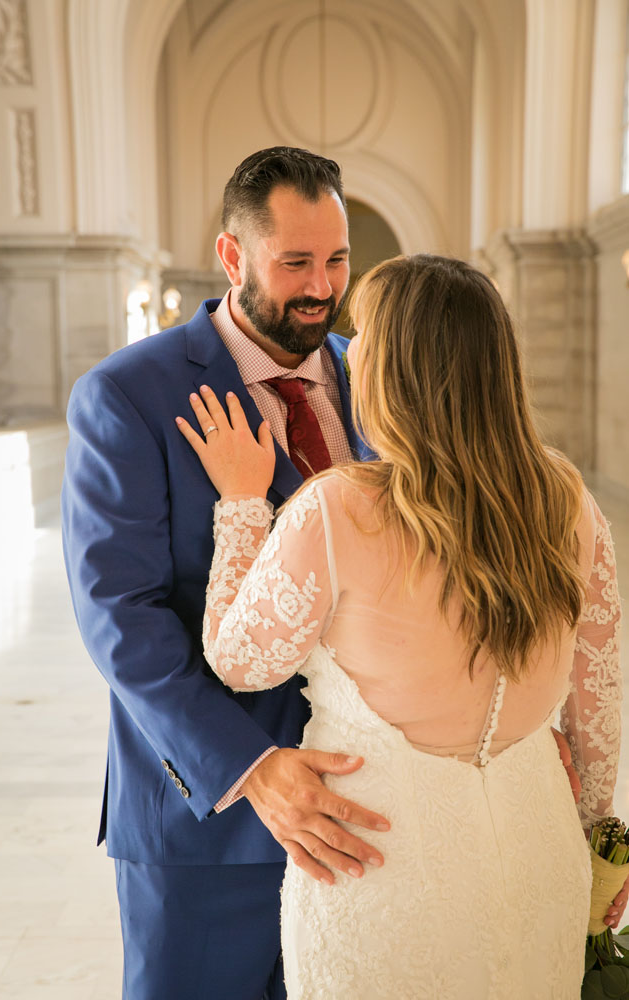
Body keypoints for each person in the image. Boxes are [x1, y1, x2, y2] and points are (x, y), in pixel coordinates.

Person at [62, 146, 607, 999]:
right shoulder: (130, 394)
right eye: (296, 263)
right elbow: (116, 614)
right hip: (212, 826)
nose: (323, 286)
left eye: (338, 259)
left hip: (388, 835)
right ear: (233, 256)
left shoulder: (388, 369)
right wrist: (248, 768)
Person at [175, 253, 623, 998]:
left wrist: (242, 505)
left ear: (393, 371)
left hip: (381, 871)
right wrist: (598, 837)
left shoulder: (339, 508)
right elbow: (597, 713)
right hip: (540, 852)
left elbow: (238, 662)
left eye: (368, 342)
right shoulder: (566, 498)